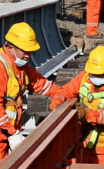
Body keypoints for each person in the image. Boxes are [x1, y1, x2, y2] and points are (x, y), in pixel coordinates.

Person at [50, 46, 104, 165]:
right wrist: (57, 104)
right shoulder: (85, 77)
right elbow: (64, 91)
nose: (95, 75)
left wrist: (87, 114)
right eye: (93, 72)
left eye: (99, 73)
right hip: (83, 142)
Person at [0, 22, 63, 161]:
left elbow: (40, 84)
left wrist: (63, 94)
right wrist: (12, 133)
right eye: (25, 51)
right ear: (11, 46)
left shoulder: (20, 67)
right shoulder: (1, 67)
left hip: (6, 133)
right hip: (4, 132)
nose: (28, 56)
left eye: (30, 51)